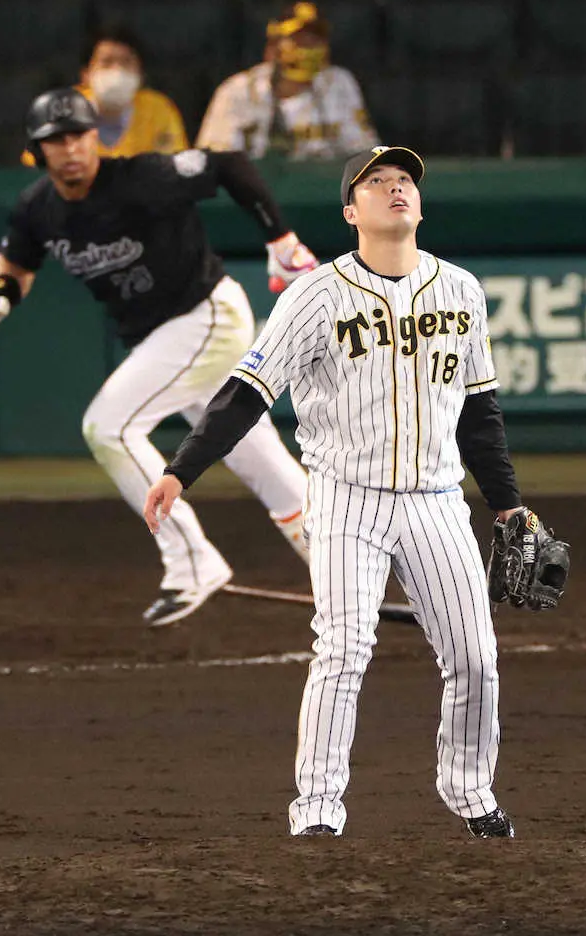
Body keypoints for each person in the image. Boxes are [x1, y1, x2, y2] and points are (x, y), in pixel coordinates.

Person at [145, 145, 529, 838]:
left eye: (405, 180)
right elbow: (247, 393)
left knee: (475, 657)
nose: (395, 189)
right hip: (348, 498)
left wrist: (506, 501)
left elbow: (481, 412)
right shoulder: (315, 296)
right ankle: (318, 809)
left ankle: (470, 790)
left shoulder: (460, 291)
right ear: (352, 211)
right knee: (344, 650)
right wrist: (181, 469)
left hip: (438, 501)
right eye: (376, 182)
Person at [0, 86, 319, 627]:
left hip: (203, 317)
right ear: (38, 151)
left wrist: (281, 240)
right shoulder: (38, 206)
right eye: (55, 140)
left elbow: (229, 164)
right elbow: (17, 258)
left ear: (96, 137)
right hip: (169, 338)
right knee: (264, 466)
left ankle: (192, 562)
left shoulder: (140, 178)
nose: (70, 149)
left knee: (108, 427)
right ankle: (346, 576)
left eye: (79, 135)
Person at [196, 0, 377, 161]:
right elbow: (215, 161)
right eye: (297, 39)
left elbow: (363, 153)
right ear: (272, 46)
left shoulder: (339, 83)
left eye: (314, 39)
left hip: (324, 192)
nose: (307, 47)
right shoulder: (237, 90)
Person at [22, 24, 187, 167]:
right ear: (85, 74)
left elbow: (174, 169)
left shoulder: (160, 110)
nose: (117, 71)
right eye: (107, 62)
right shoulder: (62, 108)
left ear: (141, 75)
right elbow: (35, 168)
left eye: (126, 62)